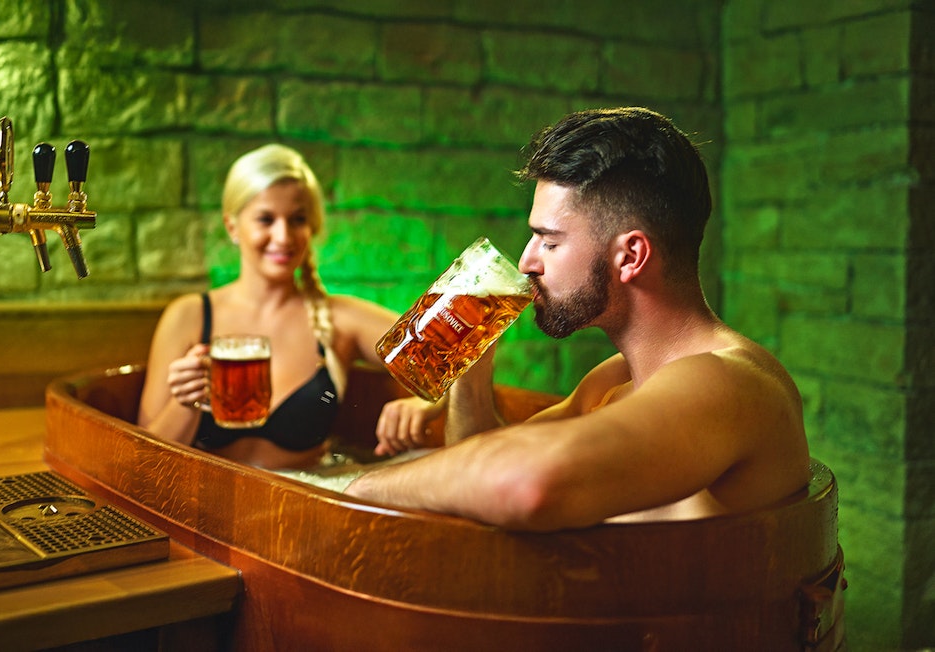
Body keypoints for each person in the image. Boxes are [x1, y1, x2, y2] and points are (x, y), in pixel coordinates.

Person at [345, 107, 811, 530]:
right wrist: (471, 360)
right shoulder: (617, 380)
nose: (527, 262)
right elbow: (483, 467)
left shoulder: (726, 383)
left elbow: (526, 484)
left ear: (631, 256)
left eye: (549, 242)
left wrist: (354, 491)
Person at [137, 144, 439, 469]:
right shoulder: (189, 316)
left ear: (312, 228)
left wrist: (426, 407)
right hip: (205, 500)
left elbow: (452, 359)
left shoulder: (340, 319)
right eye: (265, 219)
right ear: (232, 226)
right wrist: (187, 402)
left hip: (302, 501)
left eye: (297, 219)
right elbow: (145, 458)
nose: (283, 236)